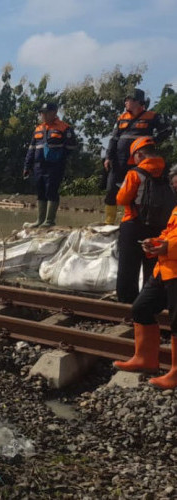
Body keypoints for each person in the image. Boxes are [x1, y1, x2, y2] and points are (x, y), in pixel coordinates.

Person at [114, 165, 177, 389]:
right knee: (141, 307)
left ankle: (175, 373)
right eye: (174, 185)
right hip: (165, 269)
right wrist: (157, 242)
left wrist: (167, 246)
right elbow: (170, 233)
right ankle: (145, 359)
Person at [103, 88, 172, 225]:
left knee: (137, 190)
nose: (125, 102)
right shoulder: (122, 118)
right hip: (119, 158)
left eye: (128, 100)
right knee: (112, 188)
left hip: (140, 160)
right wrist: (108, 157)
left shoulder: (152, 116)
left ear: (137, 101)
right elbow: (114, 139)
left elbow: (167, 130)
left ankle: (133, 218)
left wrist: (152, 142)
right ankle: (109, 221)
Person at [115, 137, 165, 303]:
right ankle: (151, 302)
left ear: (140, 154)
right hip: (160, 227)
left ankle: (127, 303)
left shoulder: (135, 174)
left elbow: (121, 199)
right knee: (153, 268)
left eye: (134, 157)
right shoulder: (167, 172)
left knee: (128, 269)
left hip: (133, 224)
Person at [23, 102, 77, 228]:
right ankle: (40, 220)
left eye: (46, 112)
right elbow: (31, 149)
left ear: (54, 112)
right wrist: (27, 166)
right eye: (42, 113)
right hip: (38, 166)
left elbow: (71, 147)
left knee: (51, 191)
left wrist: (60, 157)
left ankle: (49, 221)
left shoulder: (64, 128)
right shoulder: (38, 129)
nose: (43, 115)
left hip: (55, 166)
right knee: (40, 191)